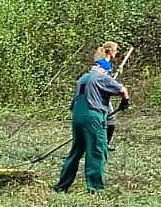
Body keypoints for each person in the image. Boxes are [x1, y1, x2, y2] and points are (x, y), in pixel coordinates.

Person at [54, 47, 129, 194]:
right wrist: (125, 102)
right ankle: (95, 188)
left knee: (75, 152)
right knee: (96, 151)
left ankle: (62, 186)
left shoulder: (83, 79)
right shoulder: (101, 77)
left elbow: (74, 103)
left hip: (77, 117)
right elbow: (122, 90)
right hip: (93, 118)